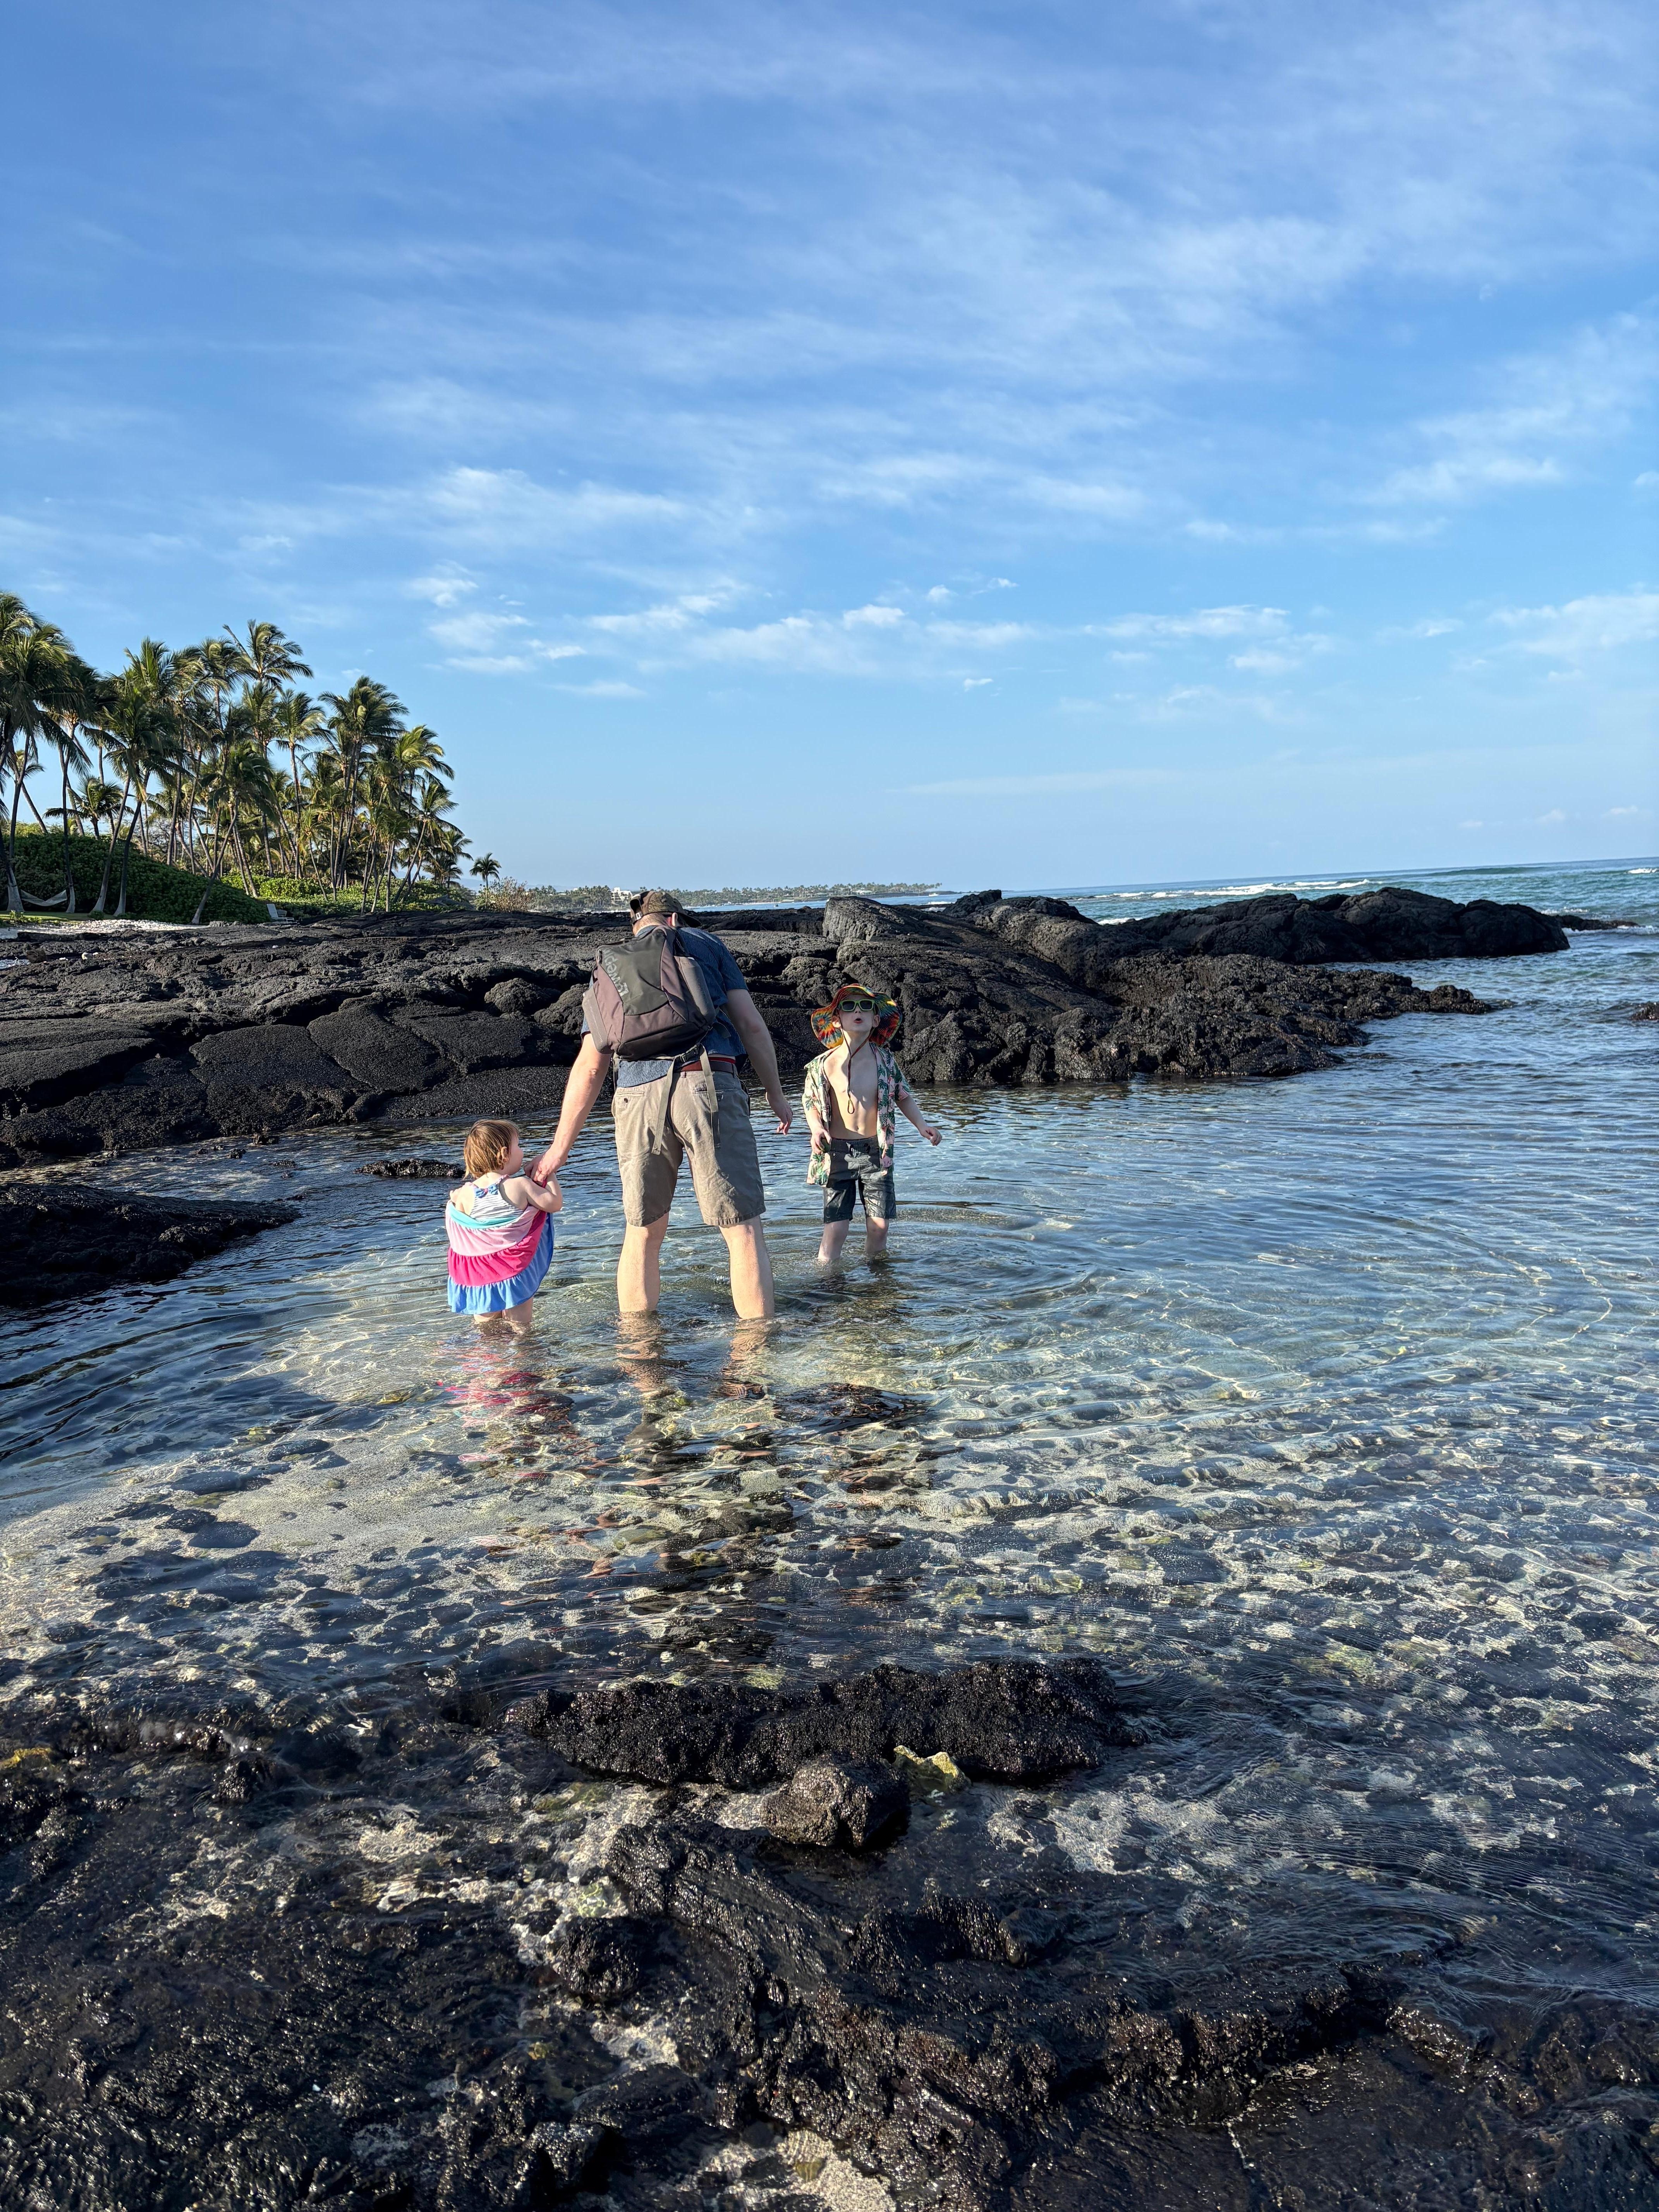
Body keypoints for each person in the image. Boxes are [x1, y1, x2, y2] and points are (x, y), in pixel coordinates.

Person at [535, 891, 792, 1319]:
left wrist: (558, 1150)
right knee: (741, 1227)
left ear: (635, 925)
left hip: (636, 1096)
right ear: (674, 920)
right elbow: (750, 1024)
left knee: (642, 1231)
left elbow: (591, 1064)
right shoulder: (706, 944)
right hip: (706, 1082)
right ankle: (755, 1349)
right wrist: (776, 1093)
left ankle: (640, 1352)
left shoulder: (612, 963)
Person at [801, 981, 939, 1263]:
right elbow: (811, 1103)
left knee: (879, 1227)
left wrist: (922, 1125)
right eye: (849, 1006)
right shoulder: (822, 1065)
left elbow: (903, 1096)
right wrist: (816, 1129)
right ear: (836, 1020)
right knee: (837, 1229)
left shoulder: (885, 1062)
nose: (858, 1011)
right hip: (837, 1154)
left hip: (876, 1152)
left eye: (865, 1006)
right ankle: (827, 1280)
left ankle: (877, 1280)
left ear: (876, 1020)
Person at [446, 1118, 562, 1333]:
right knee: (521, 1330)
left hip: (479, 1276)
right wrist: (549, 1173)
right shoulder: (520, 1185)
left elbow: (462, 1227)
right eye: (519, 1145)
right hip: (513, 1272)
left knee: (486, 1332)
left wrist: (454, 1199)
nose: (523, 1151)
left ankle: (488, 1354)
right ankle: (524, 1353)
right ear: (504, 1154)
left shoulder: (464, 1194)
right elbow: (554, 1204)